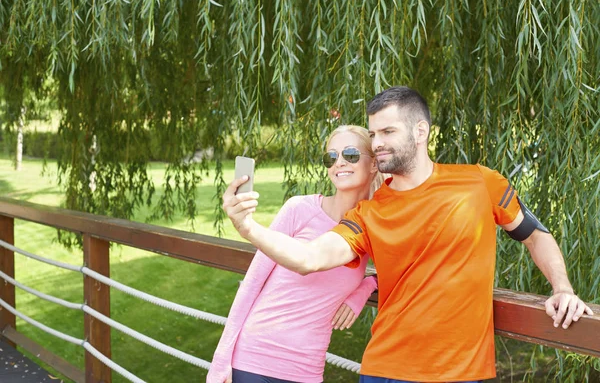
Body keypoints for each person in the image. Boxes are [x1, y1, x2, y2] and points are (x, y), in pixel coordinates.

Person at [222, 86, 594, 383]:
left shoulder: (479, 182)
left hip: (461, 372)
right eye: (373, 133)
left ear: (420, 131)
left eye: (387, 131)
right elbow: (309, 258)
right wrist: (248, 227)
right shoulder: (369, 212)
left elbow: (536, 236)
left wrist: (562, 289)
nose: (377, 142)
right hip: (385, 370)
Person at [208, 125, 383, 383]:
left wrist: (366, 287)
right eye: (331, 157)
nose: (339, 163)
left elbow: (402, 269)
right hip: (253, 360)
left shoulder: (371, 227)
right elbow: (252, 283)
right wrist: (220, 360)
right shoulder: (300, 209)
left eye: (351, 155)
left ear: (374, 165)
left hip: (307, 369)